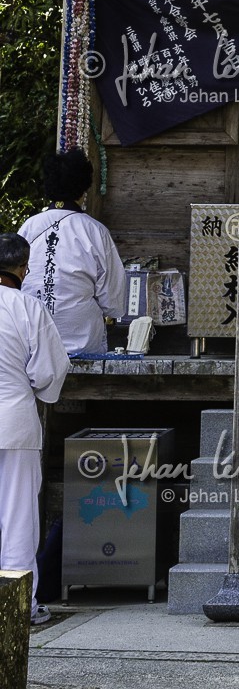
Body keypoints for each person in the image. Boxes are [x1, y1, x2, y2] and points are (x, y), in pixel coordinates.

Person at [0, 232, 70, 626]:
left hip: (14, 417)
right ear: (23, 269)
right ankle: (19, 605)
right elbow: (49, 372)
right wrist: (37, 389)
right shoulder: (27, 306)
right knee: (17, 517)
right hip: (14, 420)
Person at [19, 150, 126, 356]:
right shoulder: (95, 231)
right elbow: (113, 303)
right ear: (83, 189)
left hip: (31, 345)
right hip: (82, 343)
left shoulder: (28, 227)